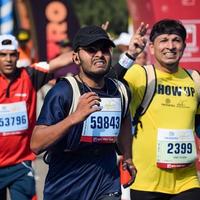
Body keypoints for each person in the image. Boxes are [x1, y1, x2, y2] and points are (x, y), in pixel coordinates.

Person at [30, 25, 136, 200]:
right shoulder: (63, 91)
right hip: (66, 188)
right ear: (76, 58)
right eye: (91, 50)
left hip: (106, 183)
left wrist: (128, 156)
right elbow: (36, 144)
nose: (99, 54)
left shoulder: (120, 90)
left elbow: (124, 119)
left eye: (105, 50)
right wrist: (73, 118)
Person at [114, 19, 200, 199]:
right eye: (164, 40)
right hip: (147, 183)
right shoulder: (141, 74)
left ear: (184, 46)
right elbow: (107, 85)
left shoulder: (195, 79)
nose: (171, 46)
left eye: (176, 40)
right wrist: (129, 55)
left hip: (187, 181)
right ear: (152, 48)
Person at [0, 34, 76, 200]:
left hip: (21, 165)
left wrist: (87, 45)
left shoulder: (29, 75)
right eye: (3, 54)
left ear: (18, 56)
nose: (8, 59)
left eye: (12, 54)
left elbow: (60, 61)